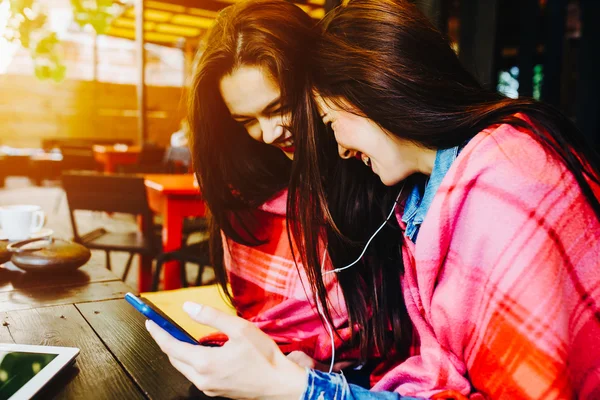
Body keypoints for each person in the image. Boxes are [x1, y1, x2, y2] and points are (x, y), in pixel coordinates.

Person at [148, 0, 600, 399]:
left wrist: (301, 391)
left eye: (325, 119)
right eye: (247, 120)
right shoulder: (424, 196)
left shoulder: (500, 180)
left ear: (370, 90)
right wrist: (307, 373)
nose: (268, 135)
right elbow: (442, 363)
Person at [148, 0, 409, 388]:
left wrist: (310, 372)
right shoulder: (245, 190)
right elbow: (259, 319)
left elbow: (403, 337)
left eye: (281, 108)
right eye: (246, 120)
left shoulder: (381, 172)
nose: (269, 135)